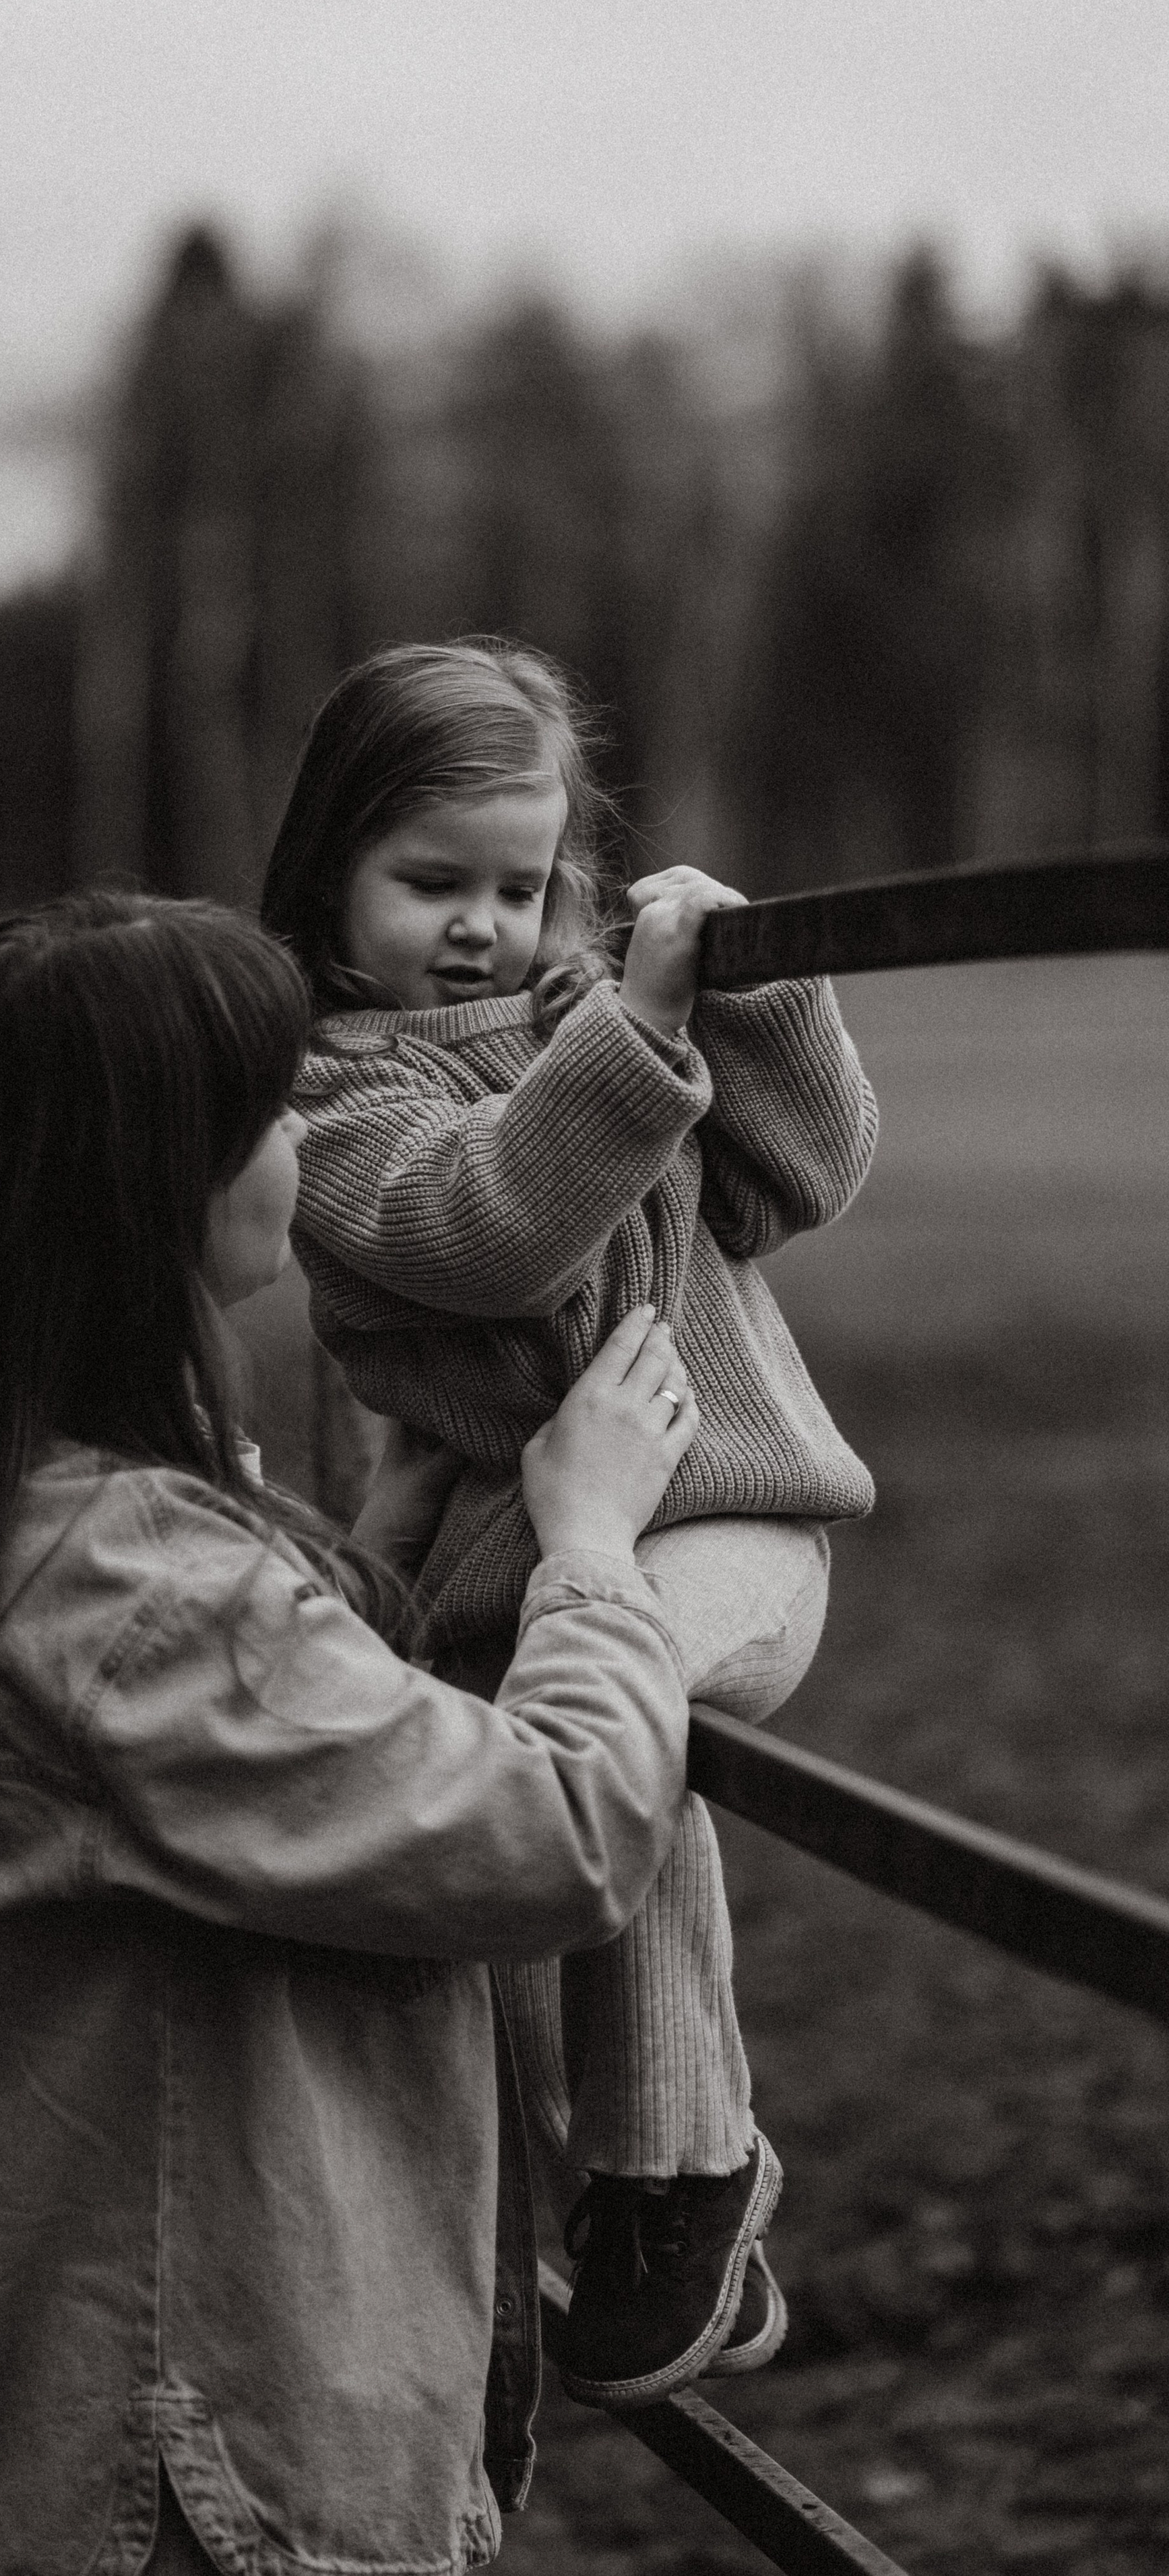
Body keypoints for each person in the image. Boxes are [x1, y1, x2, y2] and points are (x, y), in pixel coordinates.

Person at [0, 889, 707, 2576]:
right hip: (199, 2467)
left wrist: (389, 1539)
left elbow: (270, 1764)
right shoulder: (131, 1588)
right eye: (271, 1112)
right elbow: (554, 1831)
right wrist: (591, 1548)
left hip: (110, 2426)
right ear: (150, 1190)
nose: (304, 1143)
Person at [261, 639, 879, 2408]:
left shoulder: (598, 1012)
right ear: (329, 875)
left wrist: (756, 992)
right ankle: (587, 2198)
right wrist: (641, 1028)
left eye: (520, 885)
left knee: (620, 1728)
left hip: (731, 1527)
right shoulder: (329, 1100)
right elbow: (490, 1227)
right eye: (429, 879)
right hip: (522, 1562)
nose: (481, 924)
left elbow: (808, 1179)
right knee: (505, 1846)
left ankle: (681, 2175)